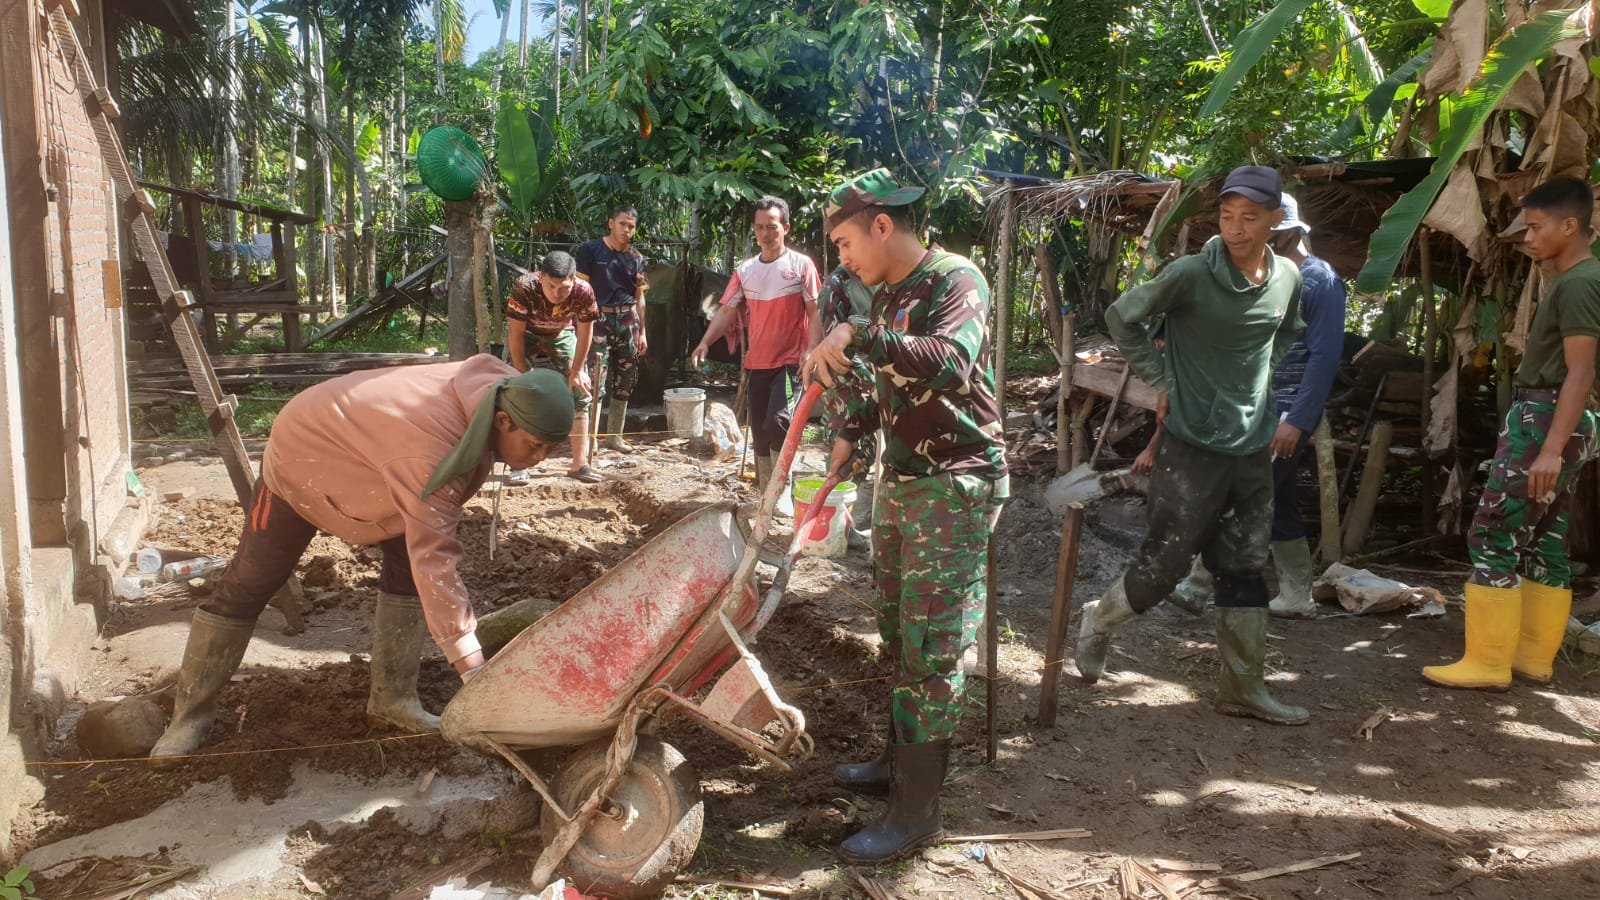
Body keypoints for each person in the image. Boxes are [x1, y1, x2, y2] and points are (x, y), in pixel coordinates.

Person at [150, 359, 574, 758]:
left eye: (551, 449)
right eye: (534, 445)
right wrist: (475, 675)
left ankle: (393, 701)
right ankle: (189, 718)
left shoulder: (509, 390)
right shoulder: (429, 455)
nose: (539, 459)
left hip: (379, 459)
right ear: (502, 421)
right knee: (251, 579)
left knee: (408, 567)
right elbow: (437, 564)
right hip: (303, 454)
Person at [803, 168, 1008, 864]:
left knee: (932, 645)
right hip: (906, 479)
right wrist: (848, 432)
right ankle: (896, 765)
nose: (841, 260)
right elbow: (885, 389)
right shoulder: (887, 295)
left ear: (883, 226)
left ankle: (917, 815)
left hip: (955, 482)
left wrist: (858, 335)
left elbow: (950, 363)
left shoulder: (957, 279)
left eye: (844, 243)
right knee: (896, 629)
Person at [1075, 165, 1308, 727]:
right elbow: (1122, 317)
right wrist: (1164, 380)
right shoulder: (1190, 275)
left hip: (1251, 446)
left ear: (1276, 220)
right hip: (1192, 445)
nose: (1236, 228)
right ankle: (1098, 620)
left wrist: (1255, 389)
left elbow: (1285, 336)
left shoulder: (1287, 278)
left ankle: (1243, 688)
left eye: (1249, 217)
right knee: (1165, 565)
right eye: (1227, 216)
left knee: (1245, 566)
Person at [1424, 178, 1600, 691]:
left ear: (1570, 226)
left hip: (1548, 417)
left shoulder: (1579, 283)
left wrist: (1549, 449)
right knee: (1546, 538)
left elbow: (1581, 371)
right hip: (1564, 419)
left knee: (1493, 532)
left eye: (1538, 227)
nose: (1528, 237)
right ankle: (1531, 658)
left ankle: (1487, 663)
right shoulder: (1578, 278)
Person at [1157, 193, 1347, 618]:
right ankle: (1296, 595)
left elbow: (1324, 358)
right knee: (1275, 497)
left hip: (1285, 411)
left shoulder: (1320, 281)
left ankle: (1197, 586)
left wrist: (1297, 420)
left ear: (1289, 232)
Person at [691, 197, 822, 492]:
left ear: (786, 228)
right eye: (760, 227)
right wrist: (705, 342)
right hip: (757, 363)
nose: (765, 233)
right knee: (760, 434)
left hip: (790, 364)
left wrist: (811, 349)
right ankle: (765, 492)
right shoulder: (746, 270)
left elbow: (816, 311)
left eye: (772, 227)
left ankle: (781, 490)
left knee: (778, 422)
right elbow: (727, 310)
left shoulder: (801, 266)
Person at [505, 250, 604, 483]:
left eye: (564, 288)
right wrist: (521, 371)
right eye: (551, 286)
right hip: (527, 334)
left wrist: (577, 370)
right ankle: (518, 464)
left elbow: (585, 331)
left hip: (561, 333)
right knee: (516, 394)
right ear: (541, 278)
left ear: (574, 281)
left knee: (581, 391)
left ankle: (579, 464)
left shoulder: (584, 290)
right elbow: (515, 333)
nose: (557, 294)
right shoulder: (524, 287)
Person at [576, 205, 649, 452]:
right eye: (622, 224)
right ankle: (590, 438)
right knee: (596, 378)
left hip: (628, 321)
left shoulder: (636, 258)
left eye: (631, 226)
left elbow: (640, 297)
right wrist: (580, 325)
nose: (626, 230)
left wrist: (643, 332)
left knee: (626, 380)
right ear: (610, 223)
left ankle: (614, 436)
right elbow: (580, 290)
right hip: (598, 320)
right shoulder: (591, 250)